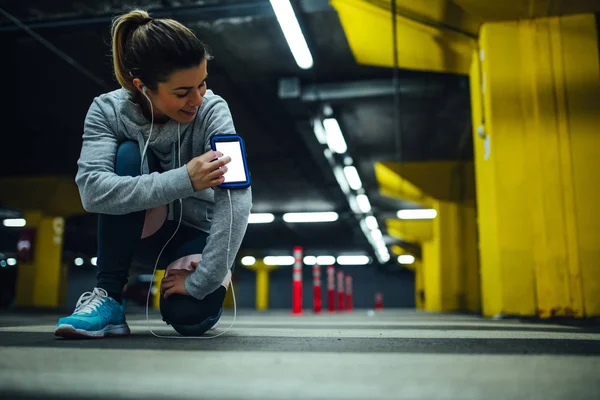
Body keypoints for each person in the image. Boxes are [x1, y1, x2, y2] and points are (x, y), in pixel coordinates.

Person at [54, 9, 252, 338]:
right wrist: (185, 179)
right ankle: (109, 300)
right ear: (143, 87)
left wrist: (203, 278)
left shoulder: (214, 111)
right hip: (136, 232)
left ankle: (189, 293)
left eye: (202, 83)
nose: (197, 99)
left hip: (194, 234)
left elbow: (237, 198)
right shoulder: (106, 111)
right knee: (128, 154)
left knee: (190, 318)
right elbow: (92, 191)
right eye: (182, 92)